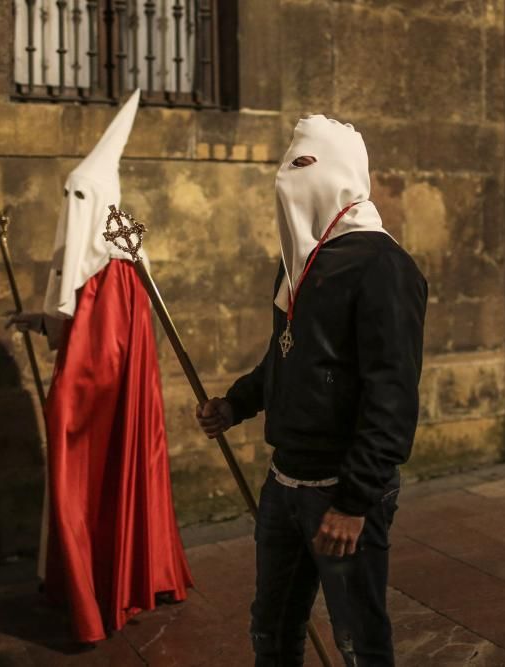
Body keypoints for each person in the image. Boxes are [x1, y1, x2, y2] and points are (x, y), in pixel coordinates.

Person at [195, 115, 427, 666]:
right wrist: (237, 403)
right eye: (288, 164)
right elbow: (288, 355)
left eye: (305, 166)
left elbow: (392, 397)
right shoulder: (300, 262)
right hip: (284, 482)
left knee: (357, 640)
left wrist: (354, 503)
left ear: (341, 174)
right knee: (271, 630)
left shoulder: (382, 266)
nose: (289, 178)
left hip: (340, 488)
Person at [8, 89, 192, 643]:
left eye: (80, 195)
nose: (73, 204)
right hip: (111, 401)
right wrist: (41, 320)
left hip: (101, 406)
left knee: (86, 476)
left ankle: (95, 598)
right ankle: (101, 580)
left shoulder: (114, 265)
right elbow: (80, 325)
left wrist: (64, 398)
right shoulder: (115, 253)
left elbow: (100, 359)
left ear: (103, 196)